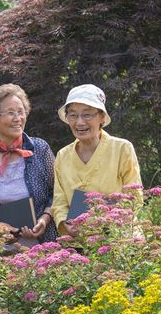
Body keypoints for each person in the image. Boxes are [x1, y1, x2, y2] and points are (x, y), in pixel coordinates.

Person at [0, 84, 57, 245]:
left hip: (44, 241)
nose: (18, 118)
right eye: (10, 113)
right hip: (1, 244)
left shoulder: (40, 148)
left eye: (21, 112)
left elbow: (57, 191)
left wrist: (44, 219)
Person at [52, 84, 142, 236]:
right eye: (73, 115)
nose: (79, 122)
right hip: (77, 242)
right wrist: (65, 223)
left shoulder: (122, 148)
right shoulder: (62, 156)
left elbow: (134, 196)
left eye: (87, 115)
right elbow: (59, 201)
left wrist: (106, 221)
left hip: (119, 241)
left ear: (101, 117)